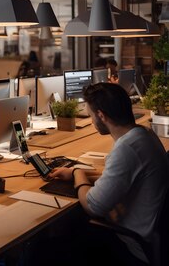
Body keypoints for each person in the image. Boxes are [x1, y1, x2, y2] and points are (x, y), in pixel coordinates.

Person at [48, 83, 168, 265]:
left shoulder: (126, 149)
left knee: (48, 243)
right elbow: (121, 178)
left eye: (90, 115)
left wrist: (79, 172)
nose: (90, 121)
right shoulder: (144, 135)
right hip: (152, 236)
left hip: (131, 244)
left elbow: (92, 206)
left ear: (101, 116)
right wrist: (74, 173)